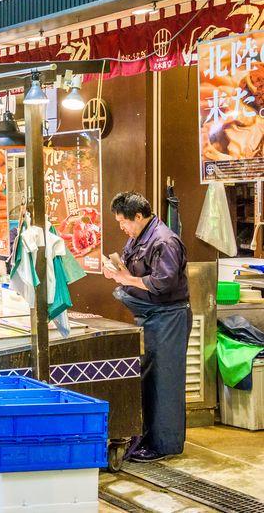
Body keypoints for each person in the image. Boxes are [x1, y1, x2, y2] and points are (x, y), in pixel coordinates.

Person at [103, 192, 191, 463]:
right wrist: (117, 271)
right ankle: (147, 438)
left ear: (138, 216)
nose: (122, 228)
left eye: (124, 222)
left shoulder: (165, 241)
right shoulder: (138, 237)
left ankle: (164, 445)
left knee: (165, 382)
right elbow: (133, 271)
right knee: (148, 378)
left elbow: (161, 283)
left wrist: (126, 278)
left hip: (169, 317)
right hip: (149, 315)